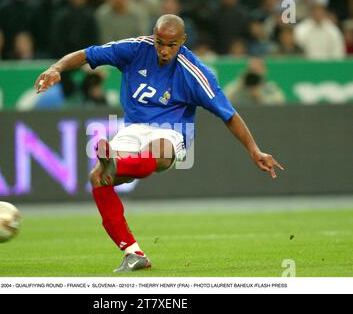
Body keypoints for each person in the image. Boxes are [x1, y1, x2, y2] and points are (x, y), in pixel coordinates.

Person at [35, 14, 284, 273]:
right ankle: (133, 253)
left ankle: (116, 164)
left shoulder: (194, 73)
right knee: (97, 178)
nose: (164, 50)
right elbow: (88, 54)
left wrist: (254, 150)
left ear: (183, 41)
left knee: (160, 152)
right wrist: (57, 68)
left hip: (172, 130)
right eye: (160, 42)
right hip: (133, 127)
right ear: (153, 35)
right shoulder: (134, 48)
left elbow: (229, 114)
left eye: (171, 45)